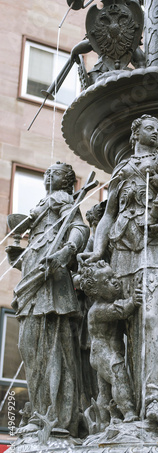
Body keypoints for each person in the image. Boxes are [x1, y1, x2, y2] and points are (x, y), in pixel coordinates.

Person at [81, 115, 158, 424]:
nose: (157, 131)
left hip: (155, 248)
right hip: (122, 252)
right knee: (125, 327)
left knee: (151, 318)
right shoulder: (122, 169)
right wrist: (97, 251)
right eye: (151, 127)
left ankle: (154, 397)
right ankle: (123, 406)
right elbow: (109, 214)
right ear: (136, 133)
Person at [7, 162, 89, 437]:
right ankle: (40, 413)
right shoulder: (43, 205)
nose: (47, 175)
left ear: (66, 181)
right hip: (34, 275)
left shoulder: (63, 199)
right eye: (46, 172)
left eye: (53, 172)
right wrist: (18, 258)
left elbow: (79, 228)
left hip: (53, 281)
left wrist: (67, 251)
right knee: (29, 347)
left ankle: (57, 417)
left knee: (53, 347)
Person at [79, 261, 142, 424]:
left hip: (104, 353)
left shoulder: (105, 303)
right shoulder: (97, 310)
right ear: (96, 292)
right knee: (119, 375)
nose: (115, 281)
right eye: (107, 280)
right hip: (103, 353)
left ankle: (102, 421)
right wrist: (133, 300)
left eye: (113, 275)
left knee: (105, 391)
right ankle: (129, 413)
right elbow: (120, 310)